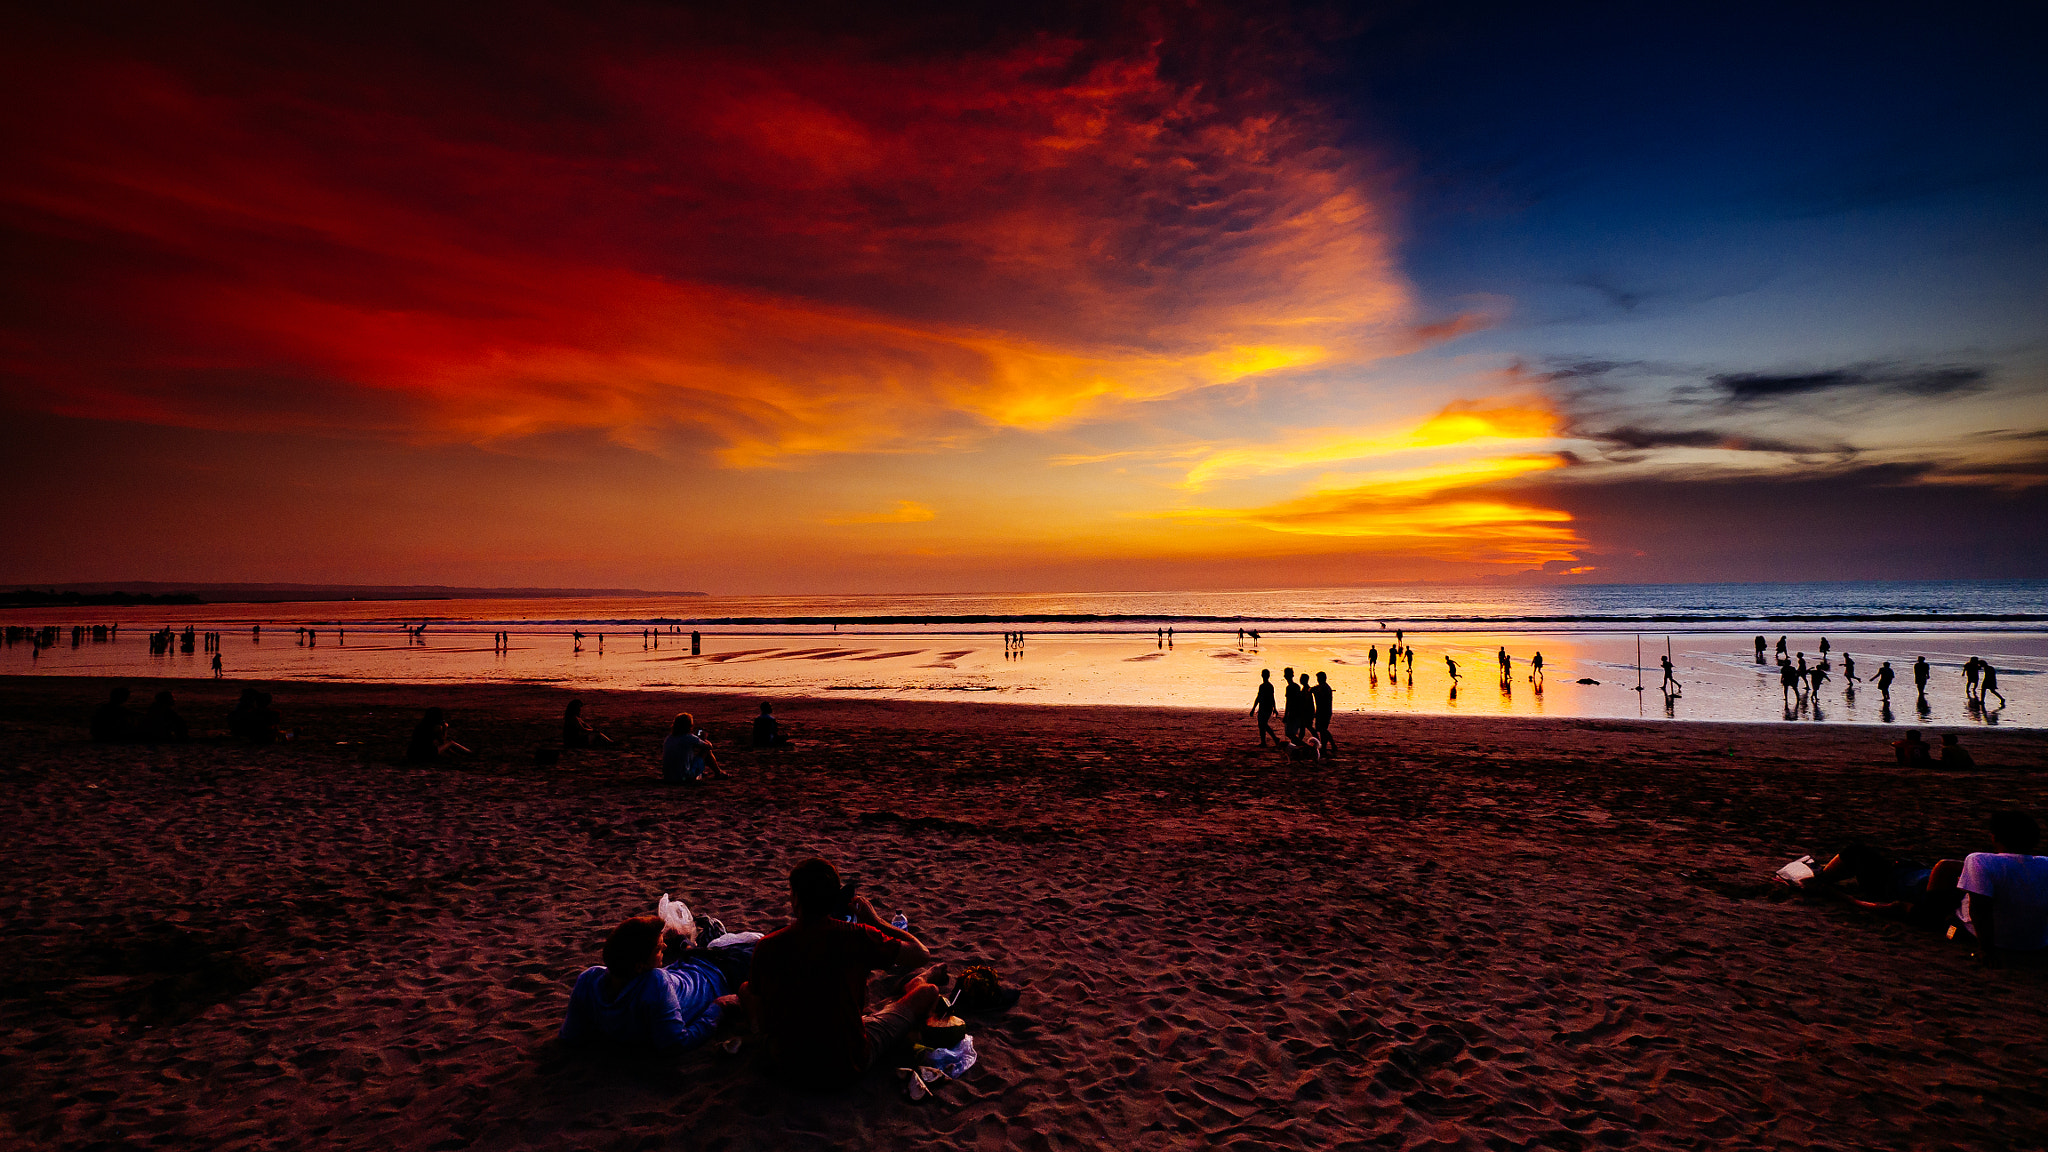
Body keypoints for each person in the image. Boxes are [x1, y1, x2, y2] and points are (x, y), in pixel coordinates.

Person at [742, 858, 943, 1087]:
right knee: (929, 991)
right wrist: (876, 920)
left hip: (787, 1064)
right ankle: (920, 982)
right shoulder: (857, 936)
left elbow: (759, 1003)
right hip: (848, 1062)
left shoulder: (768, 945)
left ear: (796, 899)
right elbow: (921, 953)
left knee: (746, 989)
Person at [559, 913, 754, 1054]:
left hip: (691, 965)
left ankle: (684, 943)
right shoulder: (655, 983)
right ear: (639, 966)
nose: (664, 949)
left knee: (693, 948)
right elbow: (678, 1043)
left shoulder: (589, 979)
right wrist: (718, 1007)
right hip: (722, 972)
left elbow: (569, 1036)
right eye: (659, 949)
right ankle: (686, 944)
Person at [1956, 812, 2048, 966]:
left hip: (1987, 938)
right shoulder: (2044, 864)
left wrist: (1986, 950)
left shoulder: (1979, 860)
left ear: (1994, 837)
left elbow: (1980, 909)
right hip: (2035, 943)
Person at [662, 713, 723, 783]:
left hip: (668, 777)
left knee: (689, 751)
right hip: (683, 778)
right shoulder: (689, 738)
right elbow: (709, 747)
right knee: (706, 750)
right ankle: (718, 772)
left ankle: (704, 772)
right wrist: (704, 739)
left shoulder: (669, 738)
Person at [1250, 670, 1278, 746]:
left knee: (1263, 724)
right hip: (1265, 707)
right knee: (1262, 725)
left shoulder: (1265, 686)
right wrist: (1274, 708)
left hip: (1265, 708)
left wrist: (1274, 708)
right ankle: (1266, 741)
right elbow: (1261, 698)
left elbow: (1261, 698)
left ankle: (1271, 739)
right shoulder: (1267, 686)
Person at [1311, 671, 1335, 750]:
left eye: (1319, 678)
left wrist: (1315, 692)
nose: (1318, 680)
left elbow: (1321, 699)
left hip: (1324, 711)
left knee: (1322, 729)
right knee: (1322, 730)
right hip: (1323, 711)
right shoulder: (1322, 687)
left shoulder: (1324, 688)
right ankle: (1324, 746)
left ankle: (1332, 744)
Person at [1281, 668, 1303, 741]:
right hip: (1298, 711)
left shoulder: (1289, 687)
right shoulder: (1297, 686)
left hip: (1293, 712)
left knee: (1290, 733)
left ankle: (1302, 746)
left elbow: (1289, 702)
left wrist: (1286, 714)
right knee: (1292, 733)